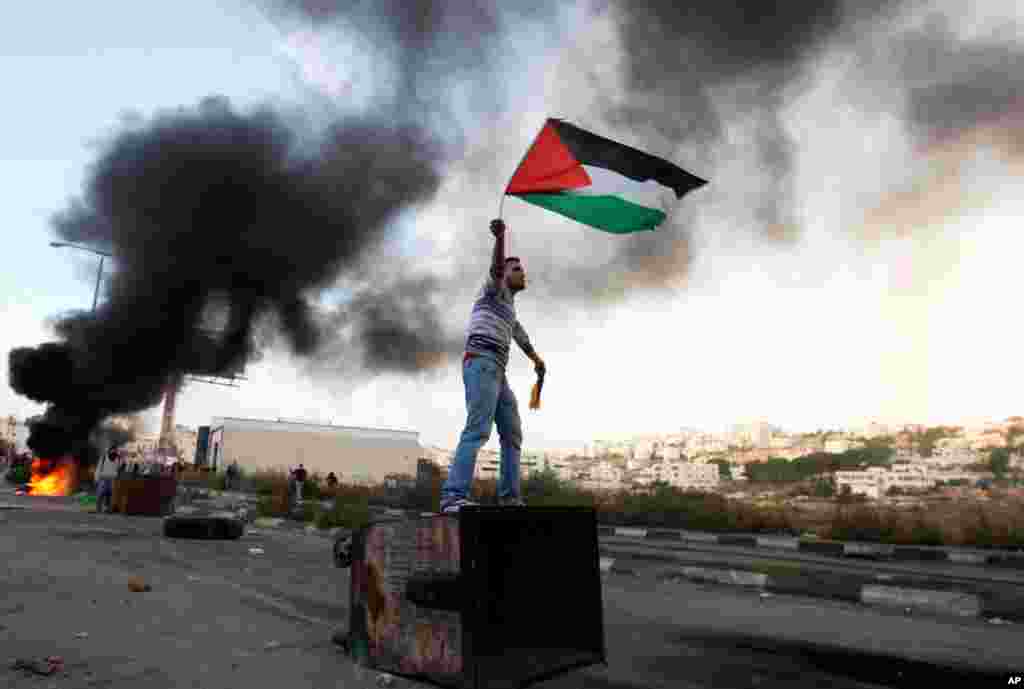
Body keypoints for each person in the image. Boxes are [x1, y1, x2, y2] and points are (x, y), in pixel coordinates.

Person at [440, 219, 544, 514]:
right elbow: (497, 269)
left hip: (498, 372)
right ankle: (452, 497)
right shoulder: (494, 289)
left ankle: (510, 498)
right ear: (505, 275)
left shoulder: (509, 307)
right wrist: (500, 239)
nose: (522, 273)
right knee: (478, 430)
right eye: (517, 269)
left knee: (512, 433)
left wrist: (537, 361)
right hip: (481, 363)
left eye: (521, 269)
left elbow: (520, 335)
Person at [94, 446, 120, 513]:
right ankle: (98, 509)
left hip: (113, 479)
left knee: (110, 495)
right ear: (109, 451)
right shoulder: (103, 458)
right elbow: (98, 468)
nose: (113, 453)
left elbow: (118, 469)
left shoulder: (118, 459)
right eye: (112, 451)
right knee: (100, 494)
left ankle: (108, 509)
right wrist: (96, 478)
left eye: (114, 451)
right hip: (103, 478)